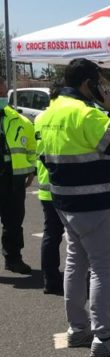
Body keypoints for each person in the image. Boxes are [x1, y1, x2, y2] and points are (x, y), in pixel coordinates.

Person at [35, 58, 110, 357]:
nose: (103, 88)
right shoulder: (85, 114)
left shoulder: (47, 114)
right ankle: (105, 336)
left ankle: (78, 329)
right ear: (88, 84)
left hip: (62, 200)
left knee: (75, 263)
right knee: (102, 266)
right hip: (94, 201)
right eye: (100, 83)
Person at [0, 78, 36, 275]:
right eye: (1, 94)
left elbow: (31, 146)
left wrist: (30, 169)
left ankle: (13, 259)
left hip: (12, 179)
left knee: (13, 222)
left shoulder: (19, 120)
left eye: (4, 94)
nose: (3, 98)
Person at [34, 83, 64, 295]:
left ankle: (50, 279)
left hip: (46, 185)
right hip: (68, 186)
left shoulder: (41, 117)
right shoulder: (67, 115)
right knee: (78, 237)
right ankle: (80, 278)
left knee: (51, 233)